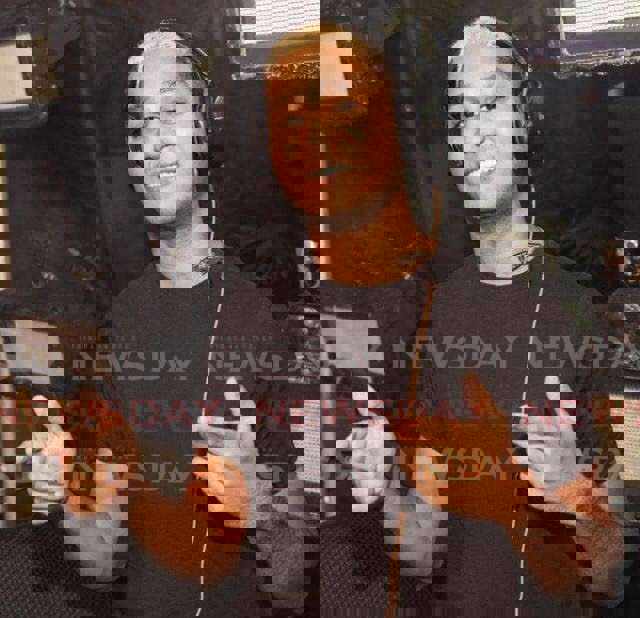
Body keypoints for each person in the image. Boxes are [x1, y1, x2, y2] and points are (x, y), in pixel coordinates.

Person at [403, 16, 630, 617]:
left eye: (490, 107)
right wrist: (393, 495)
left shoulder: (584, 313)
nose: (473, 134)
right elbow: (422, 553)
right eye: (459, 117)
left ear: (527, 118)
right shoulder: (442, 307)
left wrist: (578, 500)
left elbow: (612, 579)